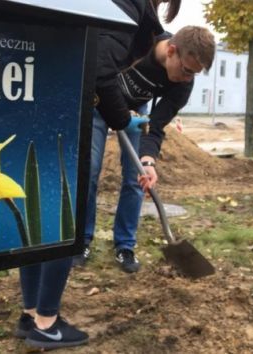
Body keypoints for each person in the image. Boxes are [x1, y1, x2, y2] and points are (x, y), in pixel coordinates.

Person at [14, 0, 183, 350]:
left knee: (43, 205)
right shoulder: (129, 13)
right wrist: (120, 118)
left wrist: (147, 158)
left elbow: (154, 121)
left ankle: (30, 314)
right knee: (68, 200)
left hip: (44, 93)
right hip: (74, 104)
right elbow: (99, 68)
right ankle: (45, 322)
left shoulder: (123, 13)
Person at [75, 26, 215, 273]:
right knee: (90, 170)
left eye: (194, 75)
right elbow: (100, 68)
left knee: (136, 178)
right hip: (97, 104)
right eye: (186, 70)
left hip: (136, 113)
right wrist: (114, 110)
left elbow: (157, 125)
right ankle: (82, 240)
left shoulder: (182, 85)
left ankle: (125, 246)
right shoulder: (136, 41)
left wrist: (149, 161)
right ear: (171, 51)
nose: (187, 79)